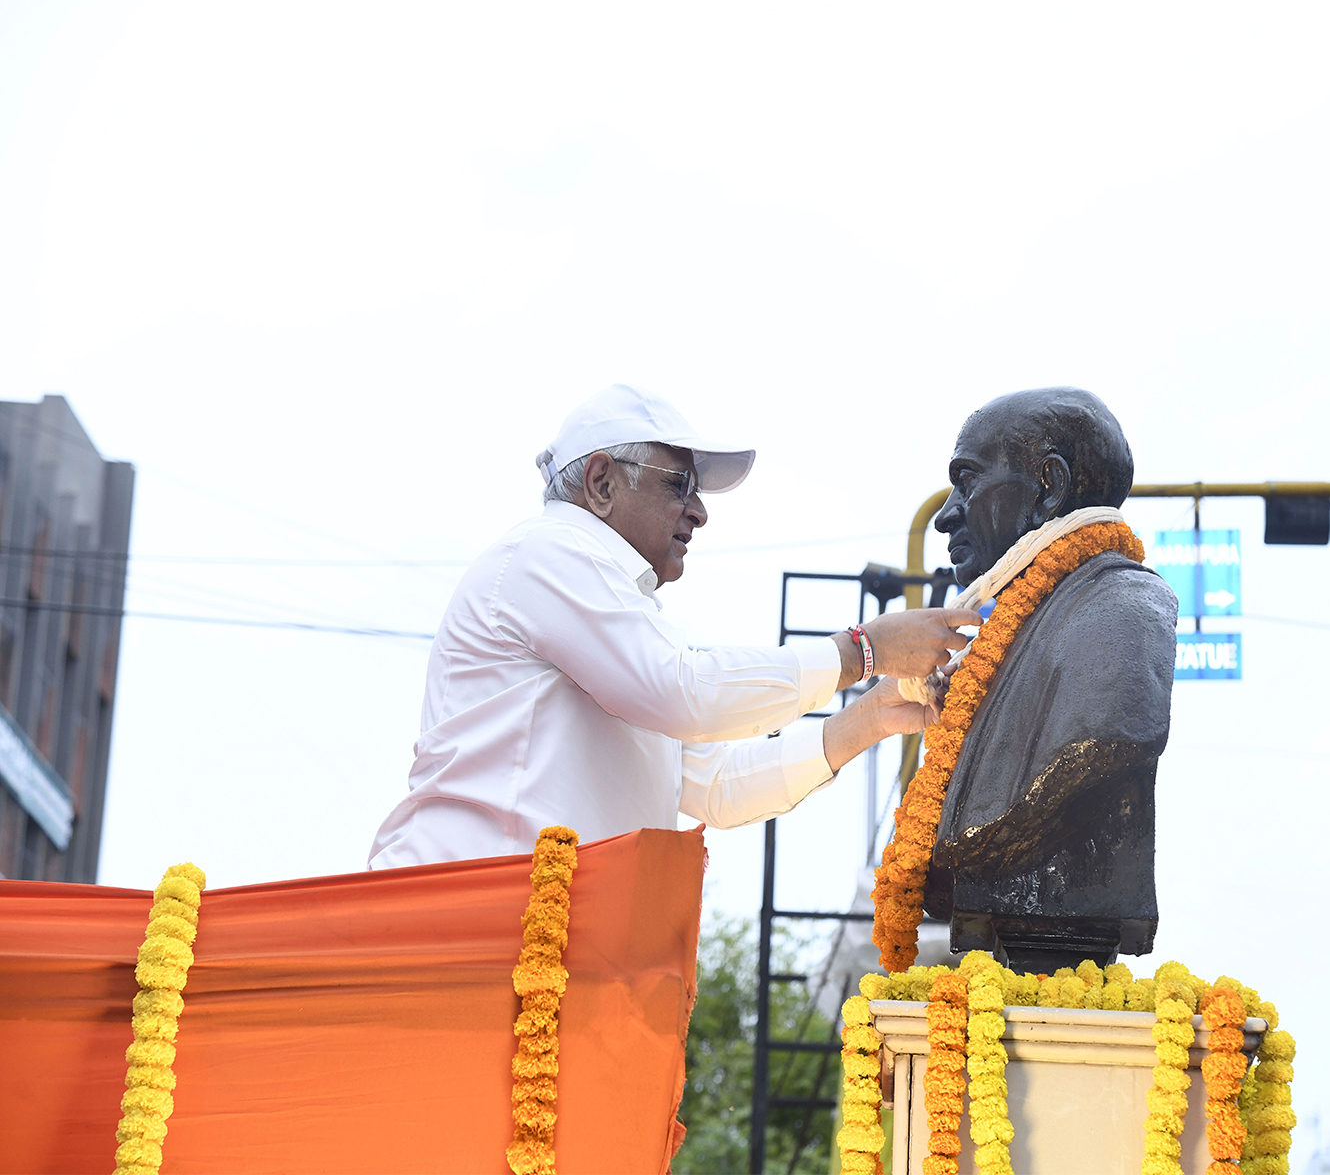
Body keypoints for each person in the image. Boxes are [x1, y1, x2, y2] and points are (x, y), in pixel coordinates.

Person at [369, 385, 978, 868]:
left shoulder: (603, 608)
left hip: (524, 939)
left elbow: (716, 787)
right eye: (678, 484)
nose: (700, 511)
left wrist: (867, 719)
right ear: (601, 484)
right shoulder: (549, 552)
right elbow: (683, 693)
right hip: (461, 925)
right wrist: (860, 653)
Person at [920, 387, 1178, 968]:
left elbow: (1108, 736)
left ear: (1049, 487)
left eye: (968, 480)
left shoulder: (1123, 610)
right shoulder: (1014, 627)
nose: (945, 514)